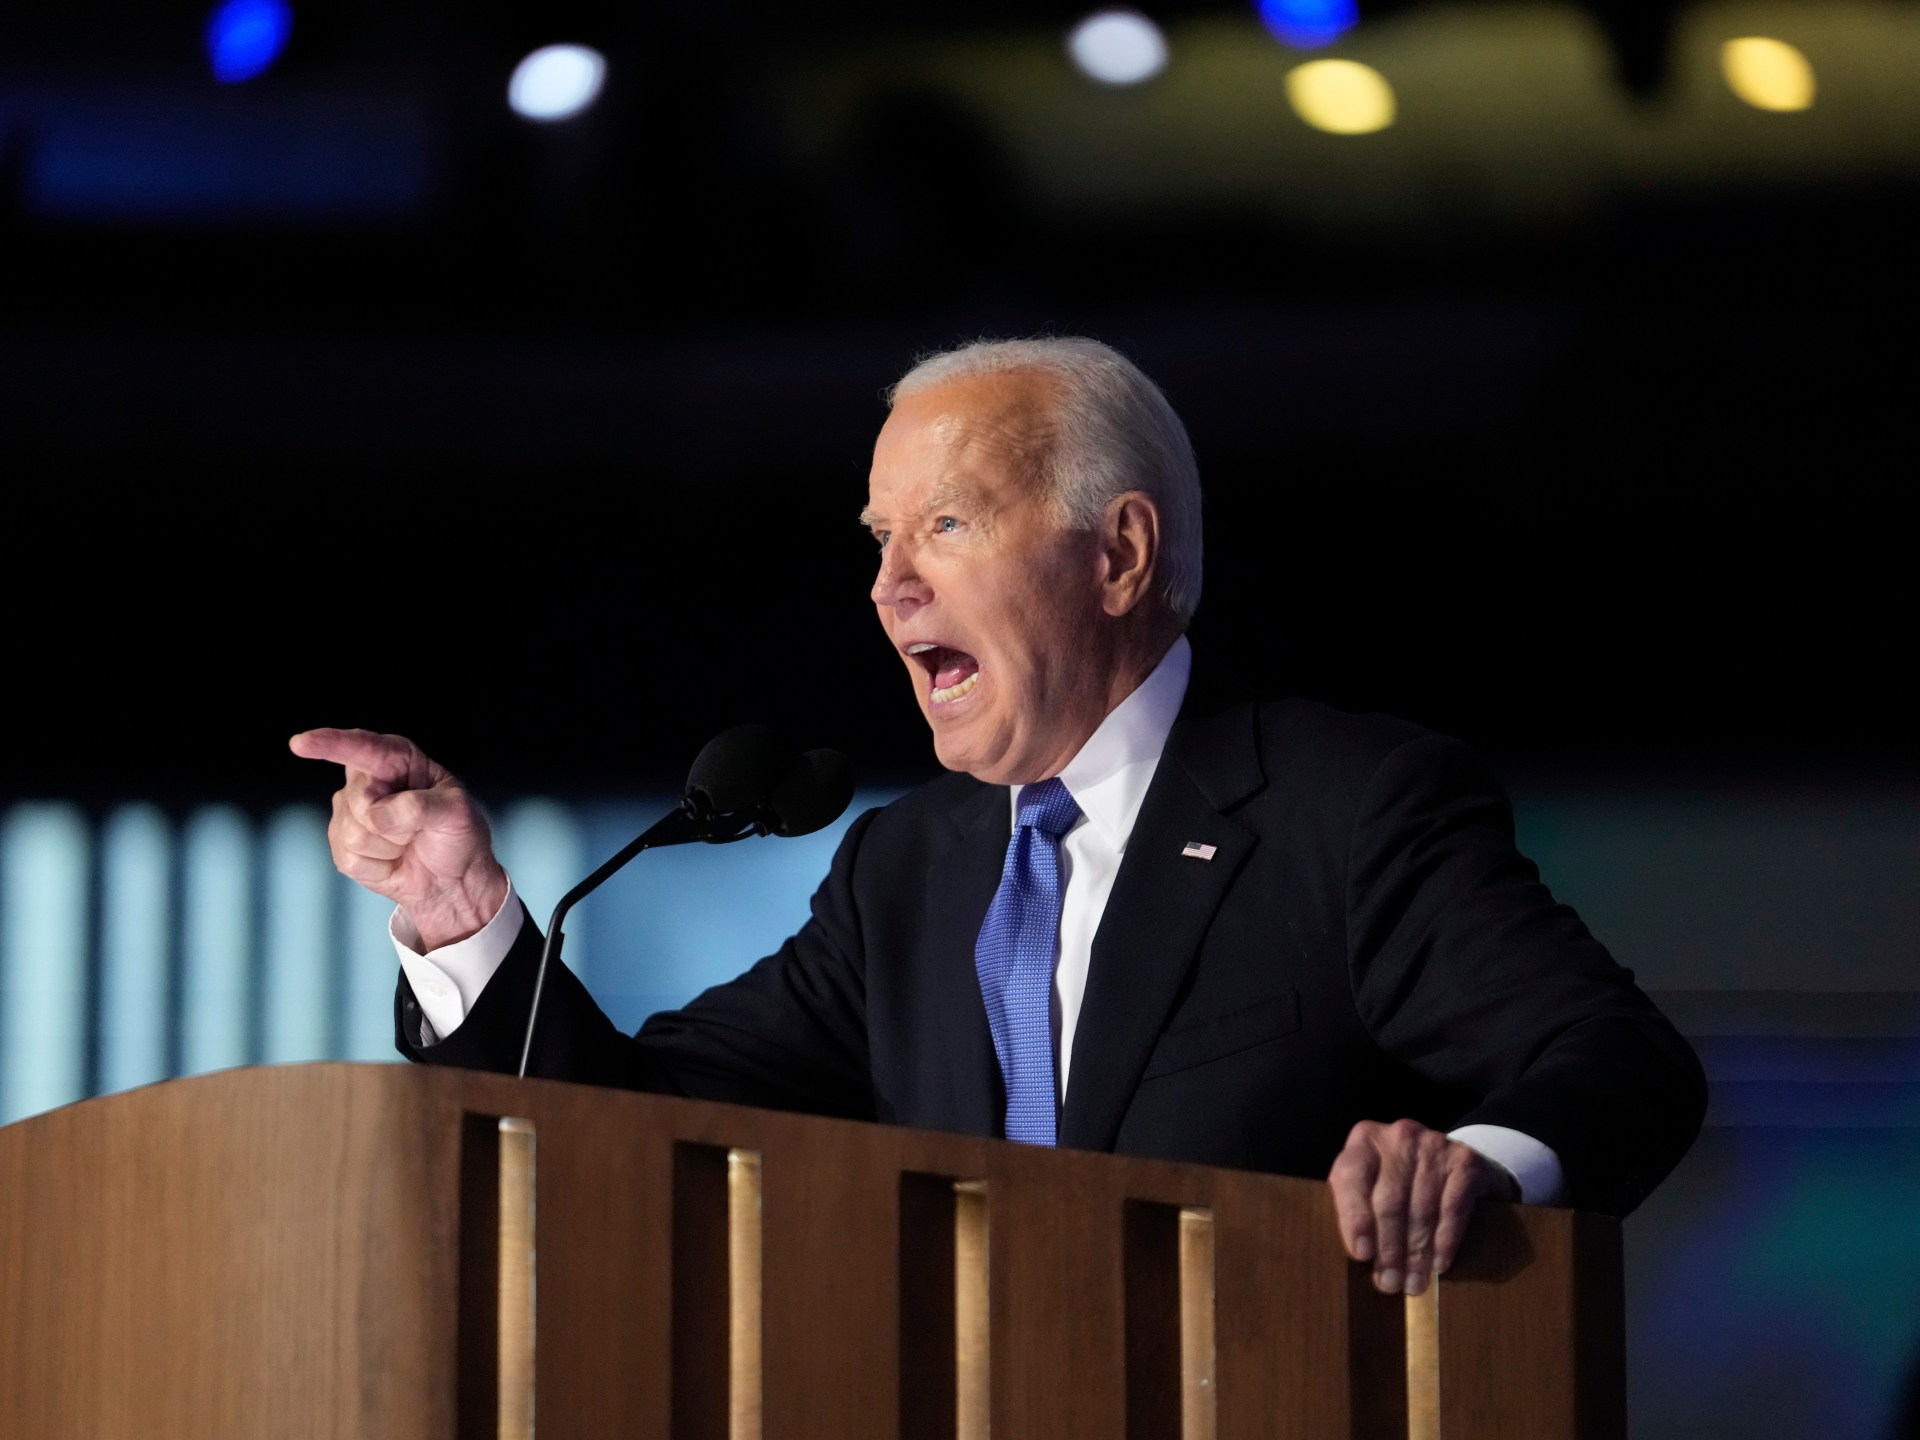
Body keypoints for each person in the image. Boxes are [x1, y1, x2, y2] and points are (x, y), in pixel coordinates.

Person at [292, 337, 1704, 1300]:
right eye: (879, 542)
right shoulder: (910, 872)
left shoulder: (1344, 811)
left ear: (1120, 554)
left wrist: (1472, 1172)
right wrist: (463, 920)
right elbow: (636, 1136)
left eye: (947, 527)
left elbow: (1617, 1061)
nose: (888, 588)